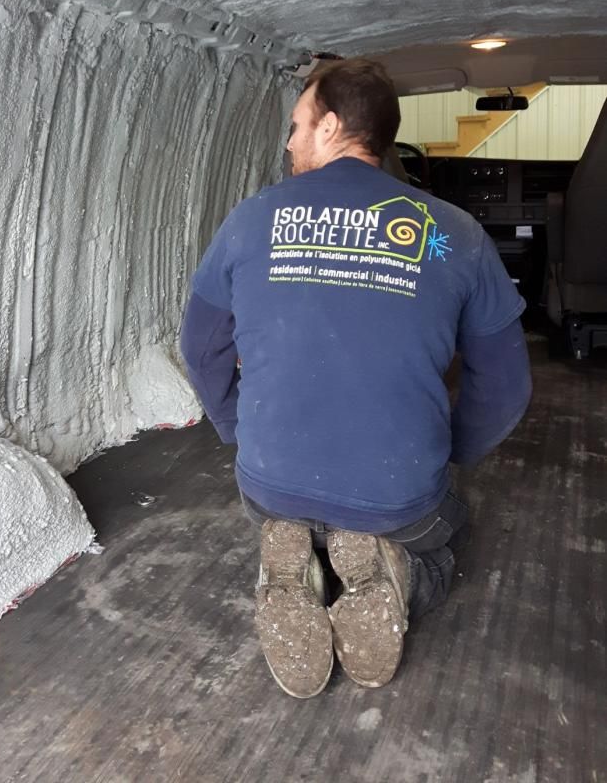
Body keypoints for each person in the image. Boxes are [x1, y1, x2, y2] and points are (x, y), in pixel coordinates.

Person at [180, 56, 532, 698]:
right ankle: (398, 572)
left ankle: (293, 569)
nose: (287, 144)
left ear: (332, 125)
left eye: (296, 125)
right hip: (399, 499)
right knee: (447, 530)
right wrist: (445, 452)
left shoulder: (251, 220)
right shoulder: (452, 234)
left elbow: (200, 351)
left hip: (269, 488)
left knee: (296, 514)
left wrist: (238, 430)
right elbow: (506, 388)